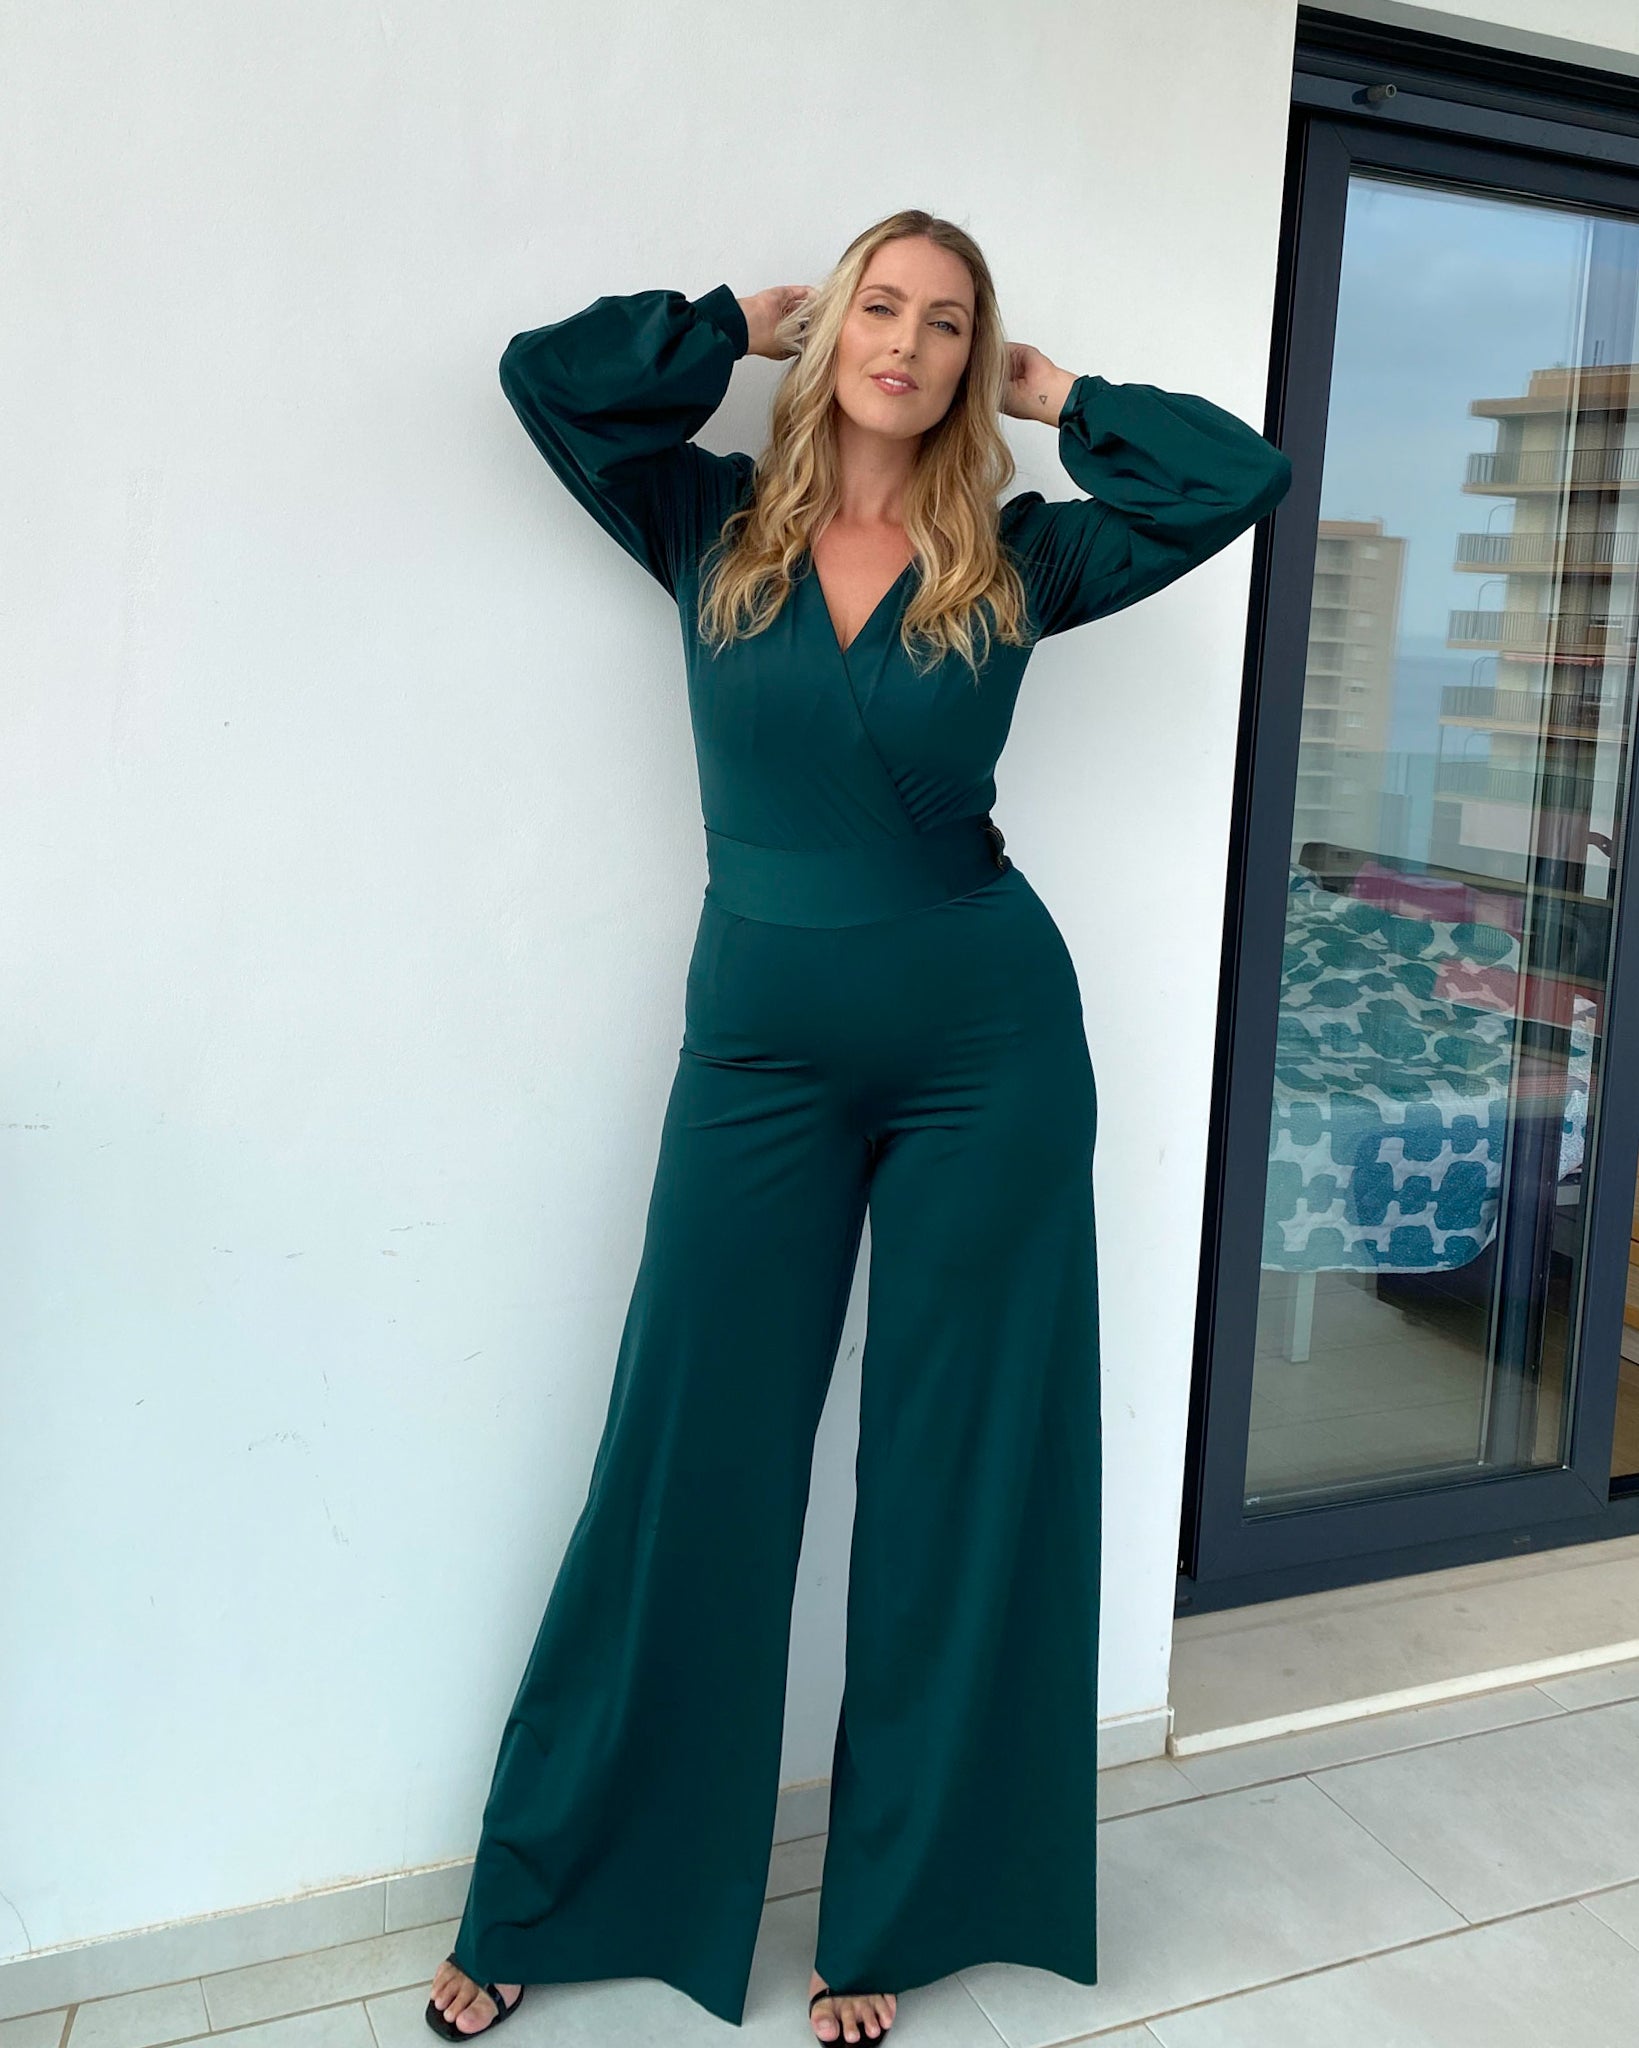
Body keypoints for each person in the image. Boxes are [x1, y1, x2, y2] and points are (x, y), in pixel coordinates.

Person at [425, 206, 1293, 2044]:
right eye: (878, 307)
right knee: (689, 1452)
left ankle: (902, 1909)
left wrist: (1062, 394)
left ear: (977, 357)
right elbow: (545, 384)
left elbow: (1237, 477)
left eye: (947, 321)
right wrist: (725, 326)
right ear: (833, 333)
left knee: (962, 1465)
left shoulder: (1023, 555)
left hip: (989, 1045)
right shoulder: (703, 520)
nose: (906, 342)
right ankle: (562, 1888)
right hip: (757, 1055)